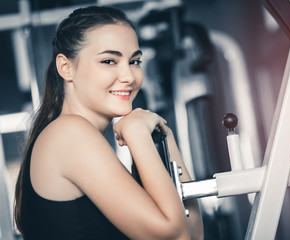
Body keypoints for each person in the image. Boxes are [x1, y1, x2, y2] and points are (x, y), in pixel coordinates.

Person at [14, 5, 203, 240]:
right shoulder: (69, 134)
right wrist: (137, 133)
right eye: (109, 61)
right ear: (66, 67)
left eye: (134, 61)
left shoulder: (77, 136)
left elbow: (193, 233)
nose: (129, 76)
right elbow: (175, 237)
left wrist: (165, 136)